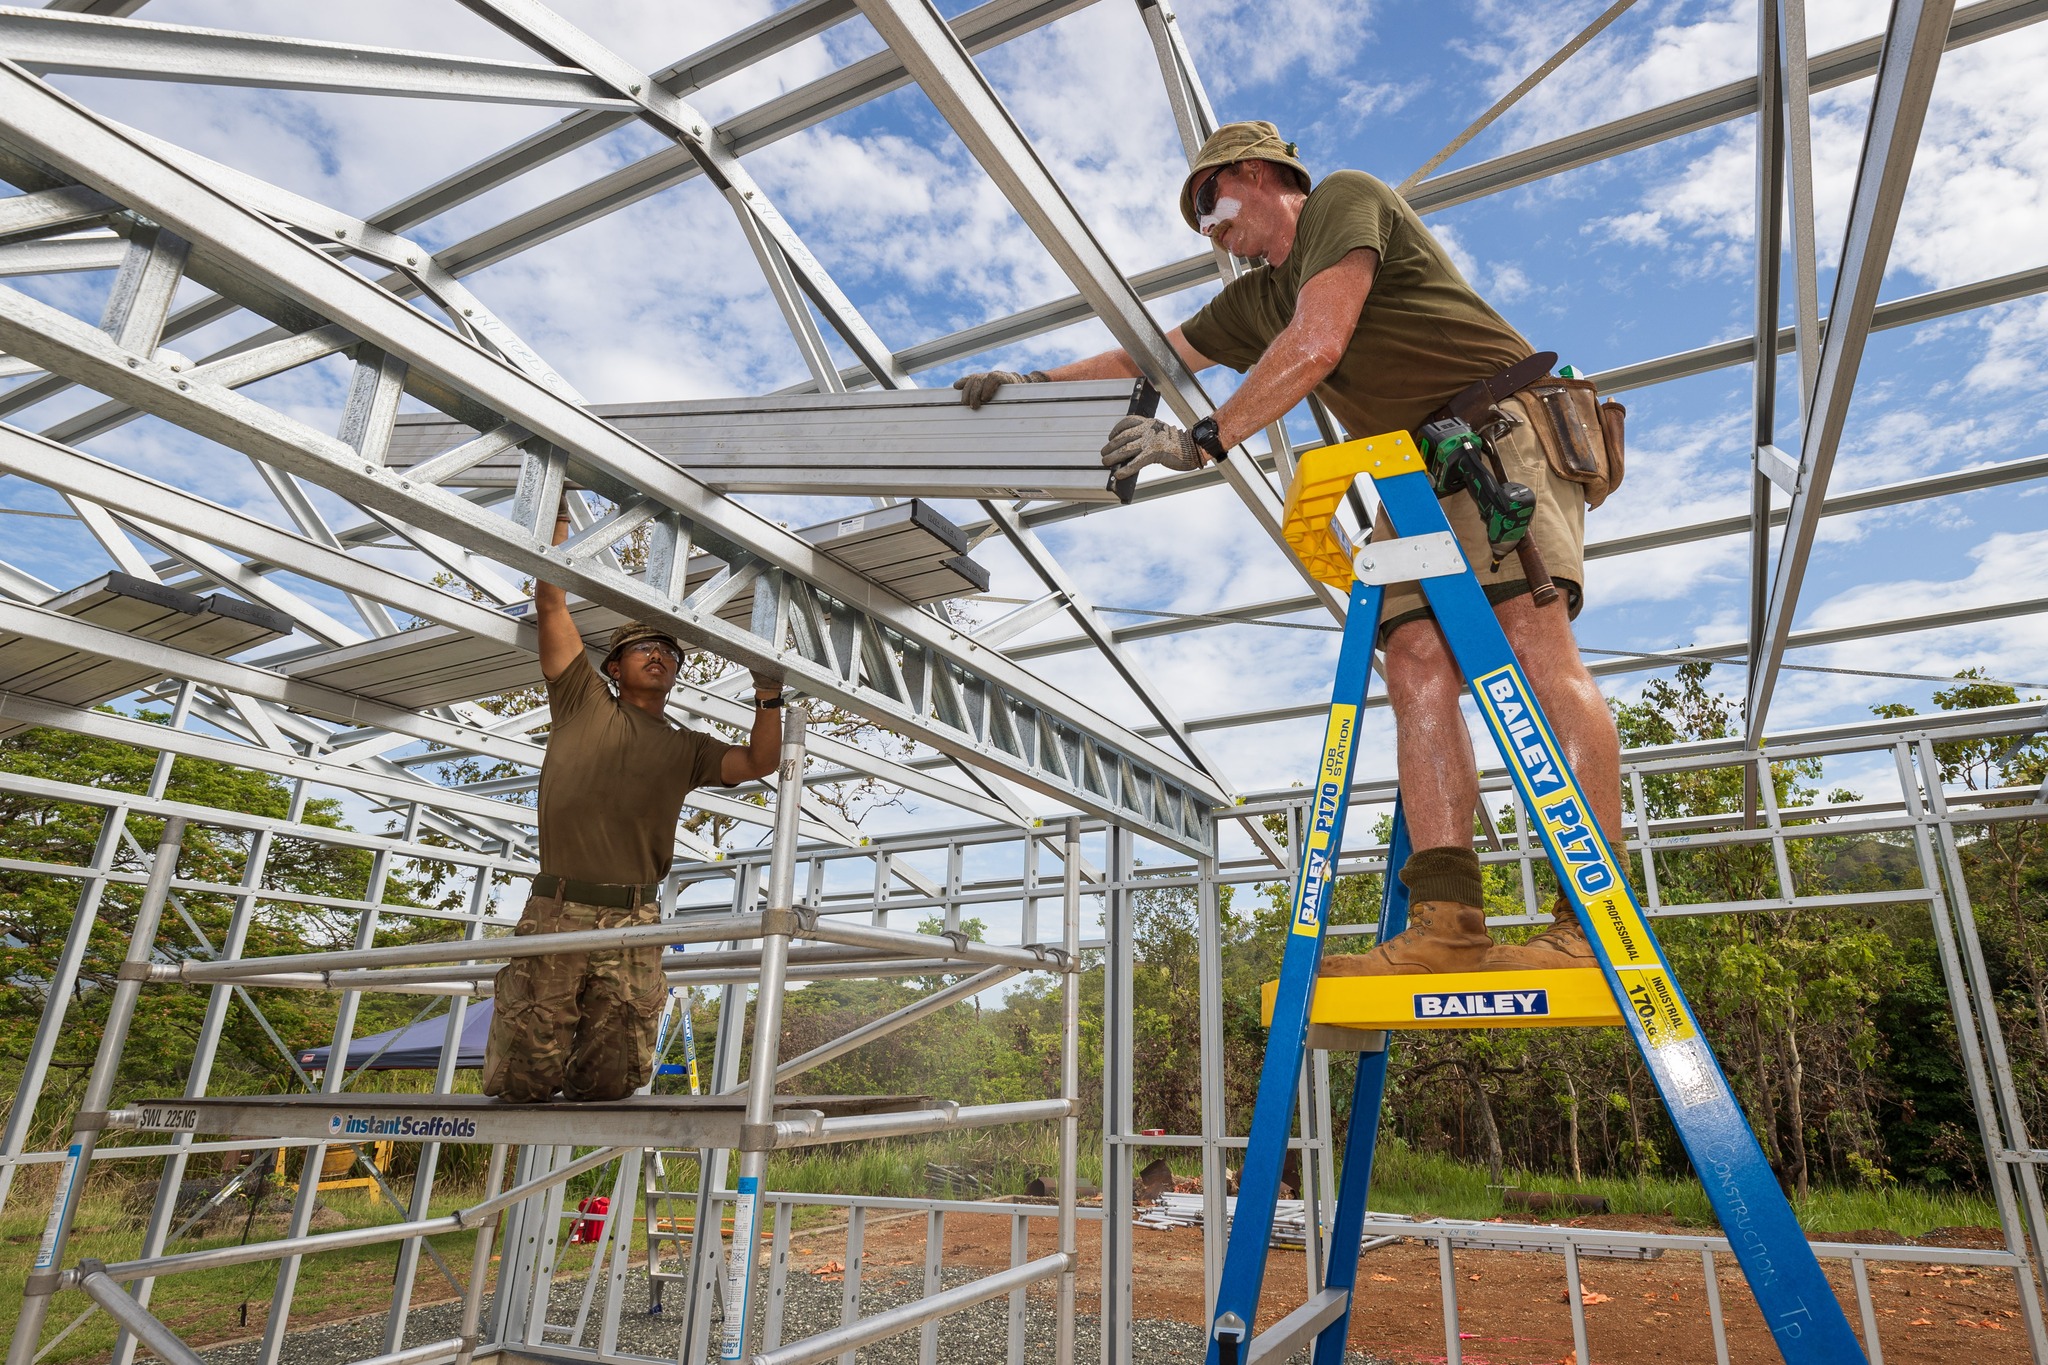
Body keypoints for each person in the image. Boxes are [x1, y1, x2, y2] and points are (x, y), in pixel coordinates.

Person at [954, 121, 1624, 976]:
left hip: (1499, 432)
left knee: (1533, 652)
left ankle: (1591, 919)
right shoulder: (1254, 299)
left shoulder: (1345, 198)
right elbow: (1155, 354)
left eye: (1210, 203)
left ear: (1255, 173)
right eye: (1199, 220)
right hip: (1418, 467)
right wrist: (1036, 385)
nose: (1210, 230)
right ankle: (1448, 922)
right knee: (1415, 660)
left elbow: (1317, 345)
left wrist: (1204, 439)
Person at [483, 502, 783, 1101]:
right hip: (559, 908)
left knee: (612, 1078)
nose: (659, 655)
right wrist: (559, 524)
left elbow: (759, 762)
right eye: (643, 647)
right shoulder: (581, 701)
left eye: (669, 652)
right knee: (524, 1074)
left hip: (635, 916)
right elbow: (551, 603)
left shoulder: (688, 749)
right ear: (613, 667)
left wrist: (768, 695)